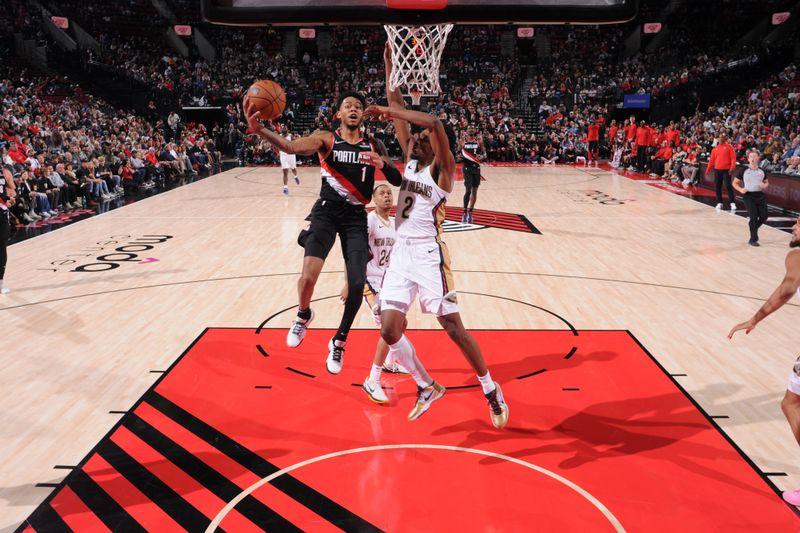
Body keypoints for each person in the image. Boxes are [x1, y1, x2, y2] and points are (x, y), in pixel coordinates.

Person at [361, 45, 509, 428]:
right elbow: (395, 100)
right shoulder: (410, 162)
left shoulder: (443, 175)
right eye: (413, 137)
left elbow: (436, 123)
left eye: (420, 137)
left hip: (428, 254)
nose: (414, 139)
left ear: (435, 146)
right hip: (401, 255)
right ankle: (426, 385)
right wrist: (390, 65)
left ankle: (490, 388)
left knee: (453, 328)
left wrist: (394, 112)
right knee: (389, 328)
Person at [244, 90, 403, 374]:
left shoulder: (374, 143)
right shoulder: (326, 139)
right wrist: (261, 130)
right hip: (327, 212)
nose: (353, 109)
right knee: (308, 277)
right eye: (347, 106)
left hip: (356, 216)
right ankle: (304, 314)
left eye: (357, 106)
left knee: (357, 284)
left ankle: (339, 341)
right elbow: (291, 147)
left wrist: (383, 164)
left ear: (363, 114)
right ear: (338, 114)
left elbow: (396, 178)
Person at [728, 218, 800, 506]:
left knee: (791, 403)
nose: (794, 226)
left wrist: (755, 318)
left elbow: (788, 287)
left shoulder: (797, 255)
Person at [355, 184, 410, 404]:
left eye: (389, 193)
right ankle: (372, 379)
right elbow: (357, 250)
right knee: (389, 328)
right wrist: (350, 280)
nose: (387, 196)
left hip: (391, 281)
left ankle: (389, 362)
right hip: (371, 282)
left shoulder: (397, 223)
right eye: (382, 193)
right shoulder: (369, 220)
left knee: (401, 323)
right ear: (374, 199)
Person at [733, 149, 769, 246]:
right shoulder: (743, 170)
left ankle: (753, 228)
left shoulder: (762, 171)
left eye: (755, 156)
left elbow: (766, 182)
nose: (753, 158)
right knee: (753, 217)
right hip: (748, 196)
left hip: (760, 195)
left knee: (764, 216)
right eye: (751, 156)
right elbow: (735, 183)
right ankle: (753, 239)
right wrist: (740, 190)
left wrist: (764, 185)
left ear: (758, 158)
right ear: (748, 159)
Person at [706, 133, 738, 211]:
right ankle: (719, 203)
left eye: (722, 137)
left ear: (725, 139)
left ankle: (732, 203)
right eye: (719, 137)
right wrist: (708, 170)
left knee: (728, 185)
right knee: (717, 186)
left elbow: (733, 158)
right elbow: (711, 161)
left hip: (726, 170)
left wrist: (732, 168)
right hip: (717, 170)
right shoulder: (715, 149)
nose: (720, 139)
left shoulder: (729, 147)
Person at [458, 126, 484, 224]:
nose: (471, 129)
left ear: (475, 130)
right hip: (467, 168)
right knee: (468, 189)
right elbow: (458, 152)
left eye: (472, 128)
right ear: (466, 131)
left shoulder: (479, 141)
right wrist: (459, 156)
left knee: (475, 191)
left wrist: (482, 156)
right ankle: (464, 212)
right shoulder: (462, 140)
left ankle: (471, 211)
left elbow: (484, 153)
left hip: (476, 168)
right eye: (469, 128)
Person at [0, 166, 17, 294]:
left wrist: (8, 197)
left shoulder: (3, 171)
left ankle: (0, 283)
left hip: (2, 211)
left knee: (2, 246)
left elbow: (11, 189)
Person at [279, 130, 300, 195]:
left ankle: (295, 176)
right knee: (285, 171)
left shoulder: (290, 136)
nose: (285, 134)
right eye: (284, 133)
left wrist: (297, 138)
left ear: (287, 133)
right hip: (283, 155)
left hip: (291, 155)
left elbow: (296, 142)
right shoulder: (279, 136)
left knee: (293, 169)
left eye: (286, 133)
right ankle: (285, 187)